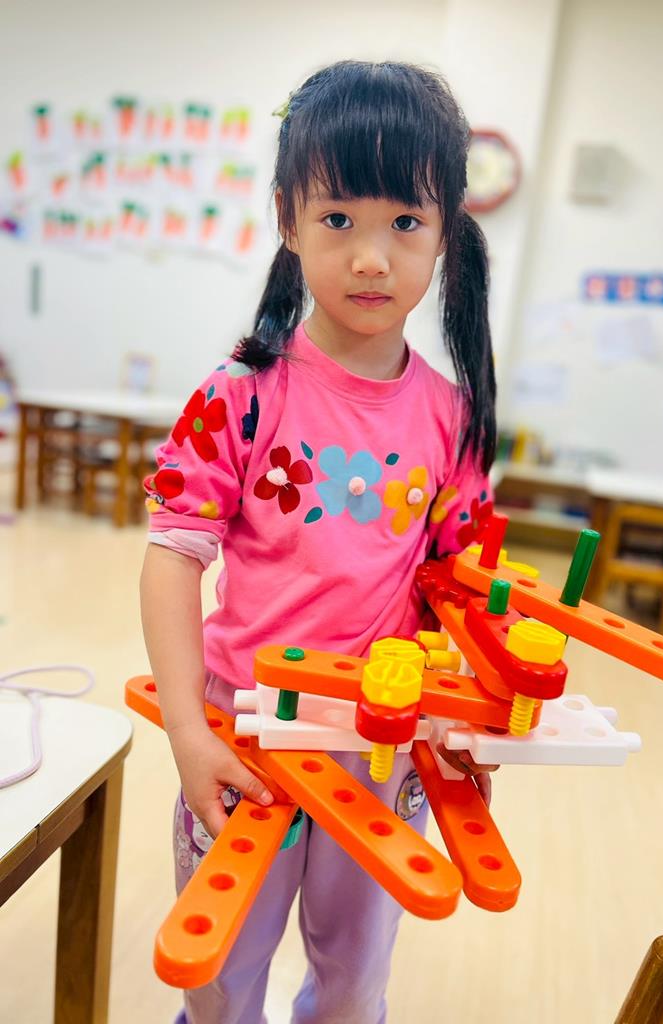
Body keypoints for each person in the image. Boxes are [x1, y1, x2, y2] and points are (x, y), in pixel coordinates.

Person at [140, 59, 498, 1024]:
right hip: (245, 736)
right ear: (288, 221)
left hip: (384, 743)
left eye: (405, 222)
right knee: (220, 979)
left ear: (446, 237)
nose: (371, 258)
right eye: (338, 217)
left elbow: (460, 589)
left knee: (353, 983)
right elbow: (172, 557)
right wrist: (187, 731)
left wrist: (464, 721)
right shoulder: (238, 395)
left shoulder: (453, 419)